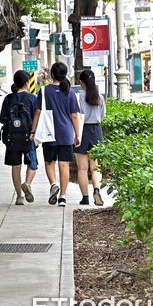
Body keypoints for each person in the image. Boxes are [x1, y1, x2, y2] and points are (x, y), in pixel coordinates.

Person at [30, 62, 81, 207]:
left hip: (49, 132)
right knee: (64, 164)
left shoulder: (44, 91)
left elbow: (38, 112)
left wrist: (33, 131)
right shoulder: (70, 93)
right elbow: (74, 116)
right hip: (66, 133)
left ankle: (53, 184)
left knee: (49, 162)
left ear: (52, 74)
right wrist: (78, 134)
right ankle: (63, 196)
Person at [0, 70, 38, 205]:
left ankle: (19, 197)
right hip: (29, 136)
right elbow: (36, 117)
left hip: (12, 138)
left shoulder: (8, 98)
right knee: (32, 164)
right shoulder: (33, 98)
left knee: (16, 166)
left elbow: (2, 119)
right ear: (27, 83)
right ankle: (27, 183)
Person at [74, 70, 105, 206]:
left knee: (82, 168)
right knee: (95, 166)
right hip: (96, 130)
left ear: (81, 83)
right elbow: (103, 115)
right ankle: (96, 190)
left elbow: (75, 116)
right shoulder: (100, 98)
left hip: (82, 130)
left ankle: (85, 197)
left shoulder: (78, 97)